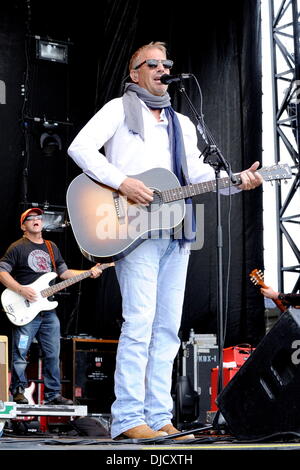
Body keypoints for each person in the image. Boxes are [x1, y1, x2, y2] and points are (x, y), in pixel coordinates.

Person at [67, 41, 263, 440]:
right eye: (151, 64)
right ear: (134, 72)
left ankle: (159, 418)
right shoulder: (118, 110)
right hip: (132, 231)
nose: (161, 69)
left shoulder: (183, 123)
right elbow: (80, 147)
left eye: (166, 63)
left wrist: (236, 182)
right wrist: (122, 182)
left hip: (177, 230)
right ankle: (126, 419)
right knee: (139, 323)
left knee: (168, 329)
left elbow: (196, 176)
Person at [0, 207, 101, 405]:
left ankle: (53, 395)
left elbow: (63, 273)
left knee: (53, 354)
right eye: (30, 218)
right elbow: (2, 272)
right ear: (23, 226)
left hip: (47, 311)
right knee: (20, 354)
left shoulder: (51, 247)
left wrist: (89, 272)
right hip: (24, 307)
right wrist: (21, 289)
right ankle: (19, 391)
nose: (36, 220)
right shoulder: (17, 247)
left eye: (38, 217)